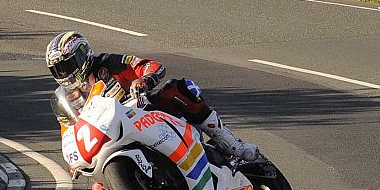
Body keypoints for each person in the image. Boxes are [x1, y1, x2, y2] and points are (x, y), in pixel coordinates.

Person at [44, 30, 260, 163]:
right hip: (114, 139)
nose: (64, 74)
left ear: (82, 55)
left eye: (66, 66)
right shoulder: (72, 96)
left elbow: (151, 66)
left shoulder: (109, 63)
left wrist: (143, 80)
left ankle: (230, 143)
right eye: (58, 70)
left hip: (146, 113)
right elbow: (71, 131)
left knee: (182, 89)